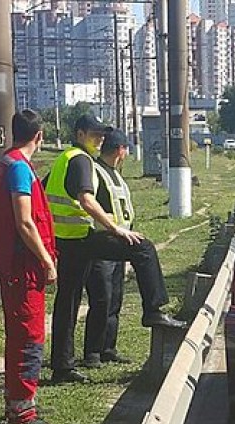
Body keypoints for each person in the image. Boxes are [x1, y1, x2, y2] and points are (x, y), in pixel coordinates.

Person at [46, 114, 185, 384]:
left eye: (101, 135)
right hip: (82, 237)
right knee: (142, 248)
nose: (100, 140)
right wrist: (116, 229)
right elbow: (86, 199)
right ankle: (153, 310)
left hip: (66, 239)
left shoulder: (64, 159)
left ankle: (62, 367)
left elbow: (41, 189)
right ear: (79, 133)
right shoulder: (81, 160)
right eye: (94, 135)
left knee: (68, 301)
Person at [0, 109, 57, 424]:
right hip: (24, 266)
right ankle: (22, 410)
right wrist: (46, 260)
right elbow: (25, 222)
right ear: (39, 136)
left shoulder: (7, 162)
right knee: (29, 337)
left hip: (15, 264)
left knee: (19, 336)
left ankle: (15, 403)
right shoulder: (19, 168)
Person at [82, 128, 135, 368]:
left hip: (119, 245)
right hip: (102, 245)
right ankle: (92, 352)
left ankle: (108, 348)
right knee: (101, 299)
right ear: (120, 150)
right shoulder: (96, 172)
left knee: (115, 299)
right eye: (126, 148)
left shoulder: (116, 174)